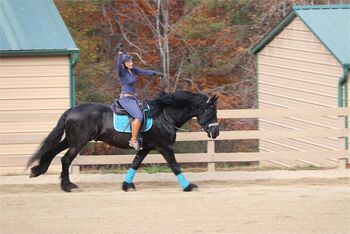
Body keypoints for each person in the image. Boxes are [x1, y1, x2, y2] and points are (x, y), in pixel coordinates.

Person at [116, 44, 162, 150]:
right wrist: (120, 53)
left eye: (131, 61)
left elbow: (143, 72)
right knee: (139, 116)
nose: (131, 63)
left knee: (145, 111)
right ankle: (133, 140)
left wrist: (156, 73)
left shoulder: (132, 70)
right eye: (128, 62)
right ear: (124, 64)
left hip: (132, 98)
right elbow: (118, 66)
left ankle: (142, 136)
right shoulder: (121, 72)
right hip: (126, 99)